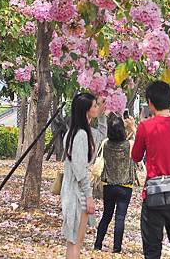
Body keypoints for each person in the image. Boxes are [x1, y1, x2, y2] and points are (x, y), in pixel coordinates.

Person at [131, 81, 170, 259]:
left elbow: (135, 156)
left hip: (153, 195)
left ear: (150, 102)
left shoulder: (145, 126)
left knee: (152, 249)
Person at [61, 93, 99, 259]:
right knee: (76, 241)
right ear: (86, 110)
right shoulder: (80, 135)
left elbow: (101, 135)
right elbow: (80, 171)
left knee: (75, 241)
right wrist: (89, 196)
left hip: (73, 192)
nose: (97, 108)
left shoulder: (73, 133)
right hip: (77, 194)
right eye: (95, 106)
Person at [94, 113, 137, 253]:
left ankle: (98, 244)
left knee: (106, 215)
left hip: (109, 186)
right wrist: (132, 127)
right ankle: (116, 248)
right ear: (122, 131)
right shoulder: (129, 145)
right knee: (120, 217)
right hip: (125, 187)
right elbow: (140, 145)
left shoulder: (105, 144)